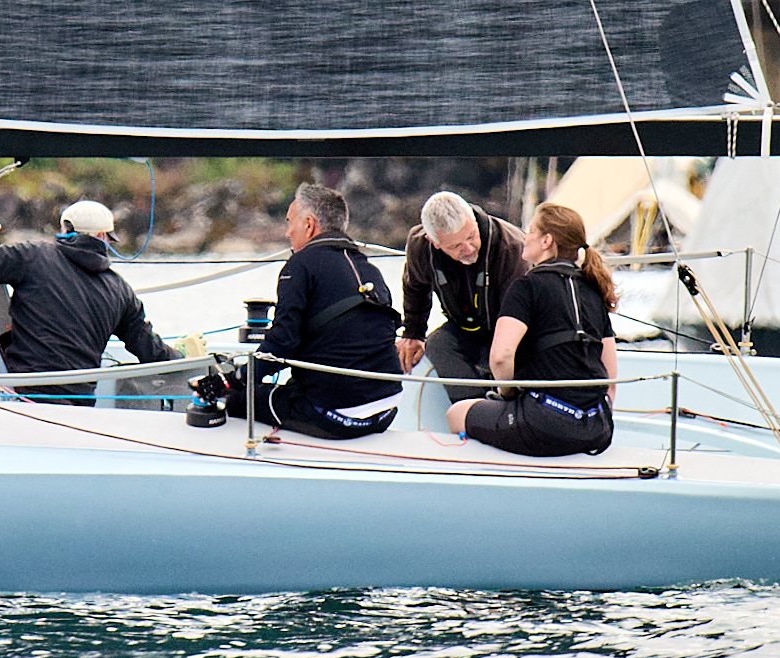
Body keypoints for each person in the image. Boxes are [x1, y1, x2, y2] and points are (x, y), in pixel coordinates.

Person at [191, 183, 400, 440]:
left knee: (239, 400)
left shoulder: (299, 266)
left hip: (336, 417)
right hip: (386, 411)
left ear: (309, 225)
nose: (287, 232)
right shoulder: (370, 269)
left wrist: (230, 381)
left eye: (290, 222)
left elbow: (281, 344)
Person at [0, 199, 174, 402]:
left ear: (65, 229)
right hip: (78, 406)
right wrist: (184, 358)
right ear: (103, 237)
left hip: (26, 397)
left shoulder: (33, 257)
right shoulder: (121, 291)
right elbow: (152, 352)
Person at [446, 203, 618, 458]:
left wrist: (507, 395)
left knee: (456, 414)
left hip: (543, 426)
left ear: (547, 240)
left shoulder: (526, 287)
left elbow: (500, 357)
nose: (524, 237)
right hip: (596, 429)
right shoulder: (594, 290)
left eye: (530, 230)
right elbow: (610, 378)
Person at [396, 190, 531, 404]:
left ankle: (508, 404)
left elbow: (520, 314)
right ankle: (473, 407)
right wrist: (413, 333)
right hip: (466, 328)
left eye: (471, 236)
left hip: (516, 334)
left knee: (511, 355)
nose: (468, 249)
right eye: (455, 246)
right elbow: (415, 287)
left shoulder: (512, 248)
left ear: (474, 221)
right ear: (434, 242)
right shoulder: (420, 246)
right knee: (437, 345)